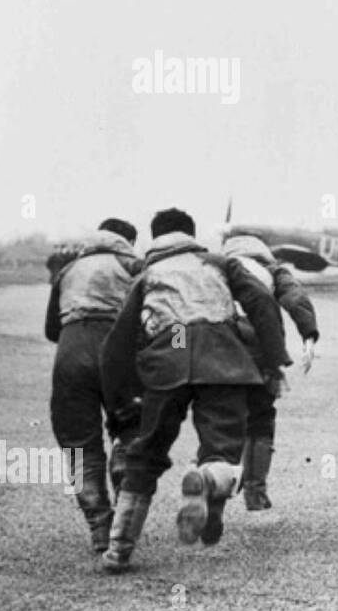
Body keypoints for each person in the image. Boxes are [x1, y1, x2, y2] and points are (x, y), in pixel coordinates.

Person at [98, 208, 290, 571]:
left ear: (155, 239)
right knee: (223, 450)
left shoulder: (147, 274)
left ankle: (119, 548)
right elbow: (261, 303)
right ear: (192, 234)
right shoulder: (220, 263)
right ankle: (205, 478)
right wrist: (274, 360)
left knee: (147, 453)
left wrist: (121, 399)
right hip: (221, 356)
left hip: (171, 350)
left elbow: (117, 344)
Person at [44, 218, 144, 552]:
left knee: (77, 443)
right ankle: (122, 461)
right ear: (128, 240)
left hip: (71, 353)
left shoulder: (69, 269)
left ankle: (100, 528)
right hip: (118, 350)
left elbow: (51, 330)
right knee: (132, 425)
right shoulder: (133, 265)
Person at [222, 234, 320, 510]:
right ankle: (256, 490)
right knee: (261, 416)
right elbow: (296, 298)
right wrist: (308, 335)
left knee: (219, 417)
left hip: (219, 349)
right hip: (260, 349)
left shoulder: (215, 268)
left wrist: (177, 347)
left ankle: (215, 481)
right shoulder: (272, 271)